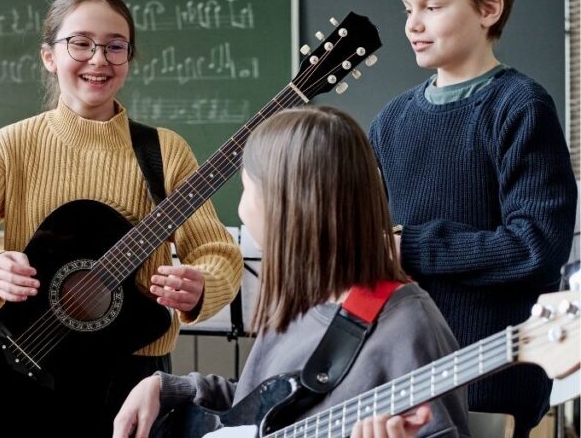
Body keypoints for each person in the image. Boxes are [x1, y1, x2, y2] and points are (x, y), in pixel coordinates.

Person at [0, 0, 243, 436]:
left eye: (116, 47)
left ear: (129, 59)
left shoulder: (165, 151)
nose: (99, 60)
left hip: (133, 379)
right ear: (49, 56)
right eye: (81, 44)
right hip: (24, 367)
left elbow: (216, 249)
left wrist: (202, 284)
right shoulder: (13, 145)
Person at [113, 107, 470, 438]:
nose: (240, 209)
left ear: (286, 206)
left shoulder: (408, 328)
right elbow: (260, 406)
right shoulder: (301, 300)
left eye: (247, 190)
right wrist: (168, 388)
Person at [369, 0, 577, 434]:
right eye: (407, 8)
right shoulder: (390, 121)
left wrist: (412, 248)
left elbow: (536, 247)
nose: (414, 24)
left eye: (433, 7)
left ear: (488, 8)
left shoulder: (521, 107)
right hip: (399, 373)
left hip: (490, 376)